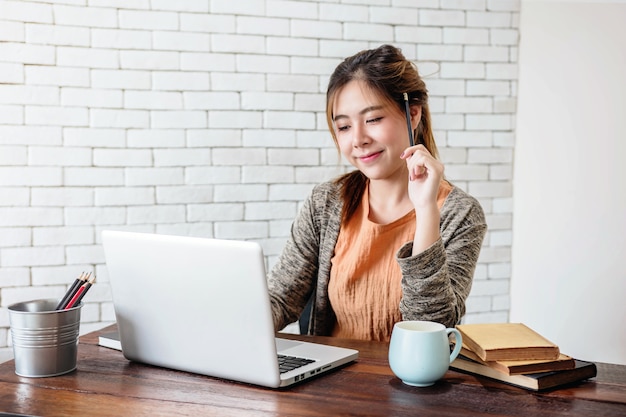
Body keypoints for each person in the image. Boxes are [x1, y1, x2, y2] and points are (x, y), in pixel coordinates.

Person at [268, 44, 487, 342]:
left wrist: (425, 211)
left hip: (412, 386)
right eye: (344, 126)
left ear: (412, 115)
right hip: (329, 382)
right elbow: (280, 299)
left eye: (372, 120)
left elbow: (431, 328)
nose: (358, 139)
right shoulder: (326, 203)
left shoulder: (459, 213)